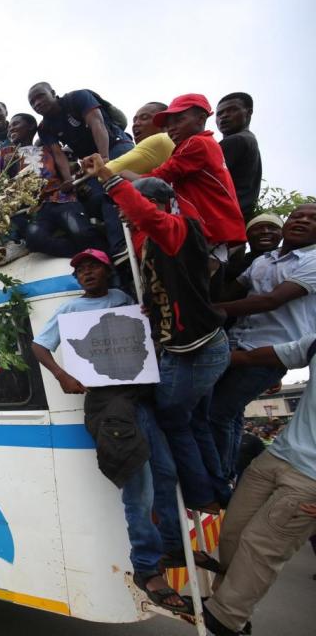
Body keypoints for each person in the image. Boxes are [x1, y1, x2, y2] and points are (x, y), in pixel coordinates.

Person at [30, 250, 192, 615]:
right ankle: (148, 568)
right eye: (81, 269)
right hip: (107, 405)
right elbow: (39, 345)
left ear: (107, 271)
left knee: (166, 474)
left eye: (93, 267)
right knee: (138, 486)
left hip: (139, 397)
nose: (87, 273)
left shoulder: (122, 300)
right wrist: (63, 376)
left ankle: (171, 545)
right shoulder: (70, 311)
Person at [82, 155, 231, 511]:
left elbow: (148, 216)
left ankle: (202, 497)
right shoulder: (152, 241)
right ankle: (218, 490)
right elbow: (165, 281)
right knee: (193, 419)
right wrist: (153, 303)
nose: (126, 218)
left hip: (196, 350)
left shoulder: (179, 229)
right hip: (185, 348)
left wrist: (109, 178)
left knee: (171, 420)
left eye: (131, 209)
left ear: (158, 205)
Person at [201, 334, 316, 636]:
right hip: (275, 458)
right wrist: (199, 354)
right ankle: (223, 604)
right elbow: (254, 358)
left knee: (260, 547)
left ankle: (227, 619)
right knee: (232, 536)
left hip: (309, 480)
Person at [207, 205, 316, 478]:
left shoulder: (312, 261)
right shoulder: (262, 260)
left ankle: (216, 479)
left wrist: (206, 311)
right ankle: (226, 473)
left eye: (312, 219)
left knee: (217, 413)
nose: (302, 221)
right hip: (234, 346)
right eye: (297, 216)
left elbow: (271, 301)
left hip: (270, 354)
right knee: (228, 414)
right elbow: (233, 291)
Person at [0, 113, 100, 259]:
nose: (11, 129)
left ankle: (98, 259)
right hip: (36, 209)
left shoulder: (48, 149)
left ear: (31, 126)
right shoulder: (5, 154)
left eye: (15, 124)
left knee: (81, 231)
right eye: (9, 128)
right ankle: (84, 254)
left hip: (61, 199)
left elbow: (67, 166)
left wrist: (70, 180)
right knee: (34, 238)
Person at [117, 94, 246, 275]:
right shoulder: (204, 144)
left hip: (205, 231)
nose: (171, 128)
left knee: (191, 290)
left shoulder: (196, 143)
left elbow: (156, 179)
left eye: (178, 120)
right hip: (209, 232)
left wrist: (119, 175)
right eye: (168, 124)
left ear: (201, 119)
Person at [28, 82, 134, 258]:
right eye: (32, 102)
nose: (37, 103)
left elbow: (96, 123)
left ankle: (120, 245)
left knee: (110, 187)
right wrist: (68, 179)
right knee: (95, 197)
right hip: (90, 161)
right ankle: (108, 246)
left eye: (40, 96)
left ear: (53, 93)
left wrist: (105, 158)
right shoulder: (45, 128)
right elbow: (58, 154)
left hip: (114, 146)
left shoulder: (77, 98)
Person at [217, 92, 262, 222]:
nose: (224, 116)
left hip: (221, 220)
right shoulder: (249, 140)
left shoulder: (237, 140)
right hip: (236, 220)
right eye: (220, 113)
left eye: (232, 110)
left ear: (249, 112)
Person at [105, 102, 175, 175]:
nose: (136, 124)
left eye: (144, 118)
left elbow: (109, 171)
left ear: (165, 124)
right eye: (134, 120)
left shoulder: (160, 140)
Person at [224, 213, 282, 282]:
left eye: (272, 228)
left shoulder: (292, 261)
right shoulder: (233, 265)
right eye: (258, 228)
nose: (265, 231)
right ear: (247, 235)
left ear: (282, 235)